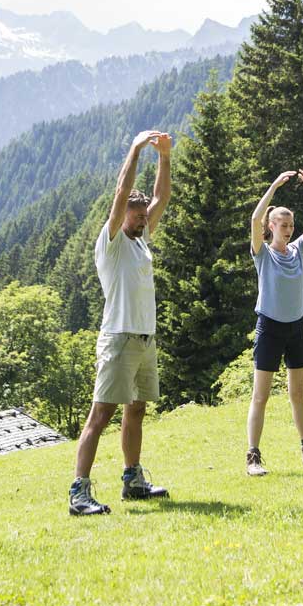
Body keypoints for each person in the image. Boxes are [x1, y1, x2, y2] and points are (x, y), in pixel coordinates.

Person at [68, 130, 173, 516]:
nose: (144, 218)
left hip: (145, 339)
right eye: (137, 214)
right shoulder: (110, 243)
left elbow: (162, 197)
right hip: (118, 338)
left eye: (144, 215)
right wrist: (134, 149)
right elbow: (121, 191)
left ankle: (133, 480)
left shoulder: (142, 239)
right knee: (101, 415)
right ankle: (79, 492)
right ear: (121, 216)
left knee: (137, 409)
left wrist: (164, 157)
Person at [244, 168, 303, 476]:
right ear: (271, 226)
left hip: (295, 328)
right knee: (261, 395)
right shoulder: (262, 254)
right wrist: (272, 187)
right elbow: (254, 220)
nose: (289, 229)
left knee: (298, 393)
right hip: (269, 328)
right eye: (283, 224)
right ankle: (253, 457)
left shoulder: (297, 250)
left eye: (291, 225)